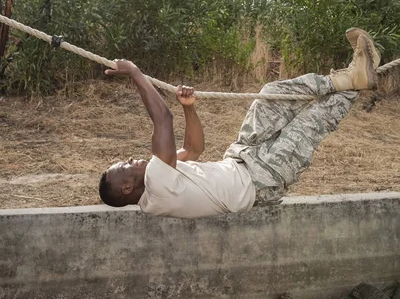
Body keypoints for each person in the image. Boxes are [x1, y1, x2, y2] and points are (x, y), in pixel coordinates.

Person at [98, 28, 380, 218]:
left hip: (240, 157)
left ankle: (346, 79)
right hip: (261, 179)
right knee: (309, 123)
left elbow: (194, 149)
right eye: (125, 166)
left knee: (271, 95)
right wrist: (135, 72)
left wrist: (189, 109)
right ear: (126, 188)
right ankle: (356, 81)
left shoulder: (158, 177)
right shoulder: (157, 190)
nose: (131, 159)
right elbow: (162, 119)